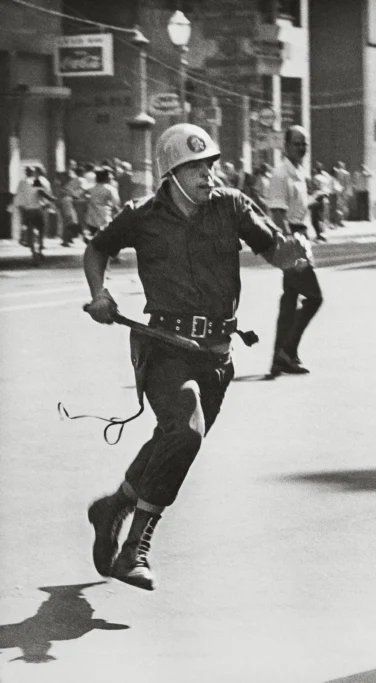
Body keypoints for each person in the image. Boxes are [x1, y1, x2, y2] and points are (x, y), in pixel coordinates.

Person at [82, 123, 309, 591]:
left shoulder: (229, 205)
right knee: (185, 433)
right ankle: (135, 551)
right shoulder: (141, 214)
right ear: (171, 172)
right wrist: (99, 294)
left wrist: (291, 255)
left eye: (210, 165)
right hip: (164, 348)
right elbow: (97, 248)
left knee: (174, 439)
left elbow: (272, 247)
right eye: (196, 167)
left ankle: (114, 506)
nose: (209, 175)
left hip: (217, 356)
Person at [267, 125, 323, 377]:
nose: (302, 148)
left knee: (289, 301)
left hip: (301, 236)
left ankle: (281, 358)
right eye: (297, 143)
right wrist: (292, 249)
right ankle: (287, 351)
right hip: (293, 242)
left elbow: (295, 208)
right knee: (314, 297)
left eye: (305, 144)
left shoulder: (298, 172)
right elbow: (278, 214)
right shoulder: (280, 174)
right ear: (286, 146)